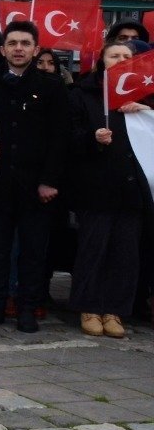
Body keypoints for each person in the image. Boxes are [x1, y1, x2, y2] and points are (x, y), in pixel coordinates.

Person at [0, 19, 68, 333]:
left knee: (33, 251)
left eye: (25, 44)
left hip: (35, 184)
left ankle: (28, 307)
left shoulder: (52, 86)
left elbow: (59, 137)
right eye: (12, 43)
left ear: (36, 49)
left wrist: (49, 180)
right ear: (3, 49)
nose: (18, 49)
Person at [66, 41, 153, 338]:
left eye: (127, 56)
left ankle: (115, 309)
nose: (121, 60)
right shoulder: (83, 94)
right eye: (114, 55)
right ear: (102, 61)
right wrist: (93, 139)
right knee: (94, 248)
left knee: (125, 253)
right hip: (97, 188)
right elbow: (69, 138)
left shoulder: (144, 95)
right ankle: (89, 307)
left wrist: (146, 111)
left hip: (133, 189)